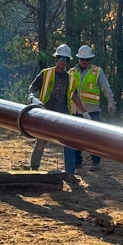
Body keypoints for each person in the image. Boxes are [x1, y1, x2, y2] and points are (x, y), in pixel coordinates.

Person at [28, 44, 89, 177]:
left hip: (63, 113)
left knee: (69, 143)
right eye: (60, 58)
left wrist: (84, 112)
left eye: (65, 59)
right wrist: (32, 96)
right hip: (46, 112)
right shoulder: (46, 73)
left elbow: (74, 96)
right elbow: (32, 87)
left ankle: (70, 173)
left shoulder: (70, 79)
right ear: (56, 58)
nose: (62, 61)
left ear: (68, 61)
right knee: (41, 141)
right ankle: (33, 168)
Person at [70, 45, 116, 170]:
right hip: (75, 110)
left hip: (93, 110)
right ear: (78, 59)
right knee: (75, 138)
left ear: (91, 60)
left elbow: (105, 87)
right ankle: (77, 161)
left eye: (87, 60)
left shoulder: (97, 71)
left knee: (95, 137)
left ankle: (95, 162)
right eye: (82, 60)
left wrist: (111, 101)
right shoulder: (71, 72)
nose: (85, 62)